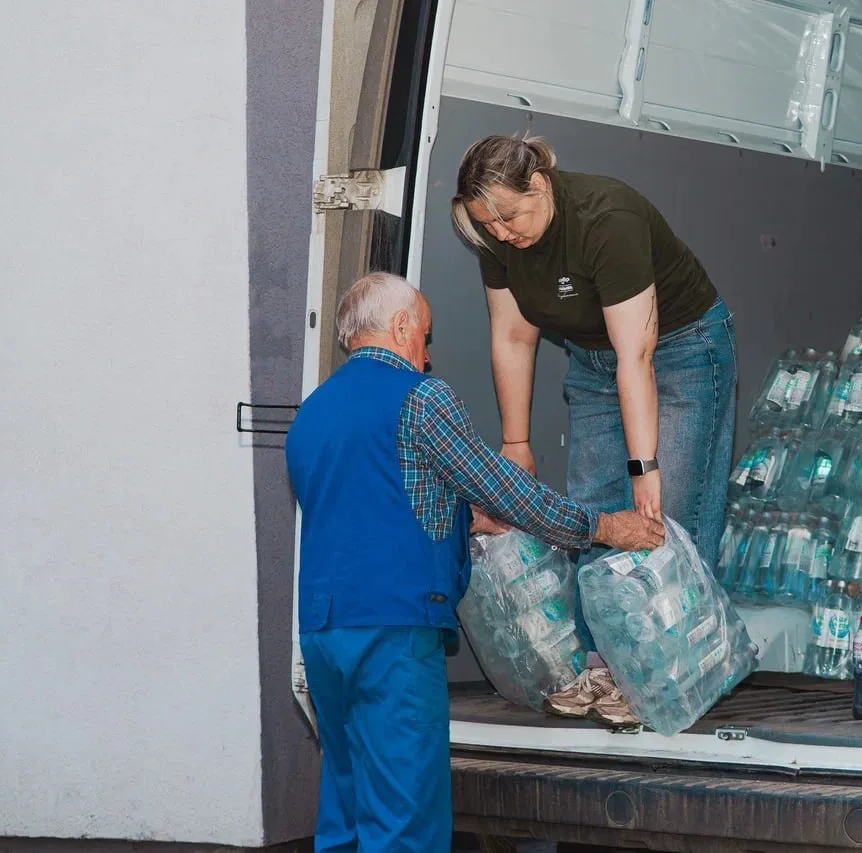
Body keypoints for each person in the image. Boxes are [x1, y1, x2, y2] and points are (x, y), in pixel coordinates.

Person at [284, 272, 664, 853]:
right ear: (401, 326)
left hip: (324, 632)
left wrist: (464, 521)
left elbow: (371, 504)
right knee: (404, 820)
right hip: (395, 630)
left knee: (349, 807)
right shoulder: (421, 398)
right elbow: (508, 491)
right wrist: (603, 527)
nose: (428, 354)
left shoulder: (311, 413)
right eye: (426, 335)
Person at [451, 133, 738, 649]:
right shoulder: (496, 233)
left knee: (663, 515)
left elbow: (637, 357)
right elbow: (513, 337)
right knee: (597, 514)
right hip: (593, 358)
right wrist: (516, 443)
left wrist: (645, 467)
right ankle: (608, 665)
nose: (498, 232)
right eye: (486, 224)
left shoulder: (607, 219)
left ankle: (676, 665)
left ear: (539, 185)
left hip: (678, 352)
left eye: (508, 218)